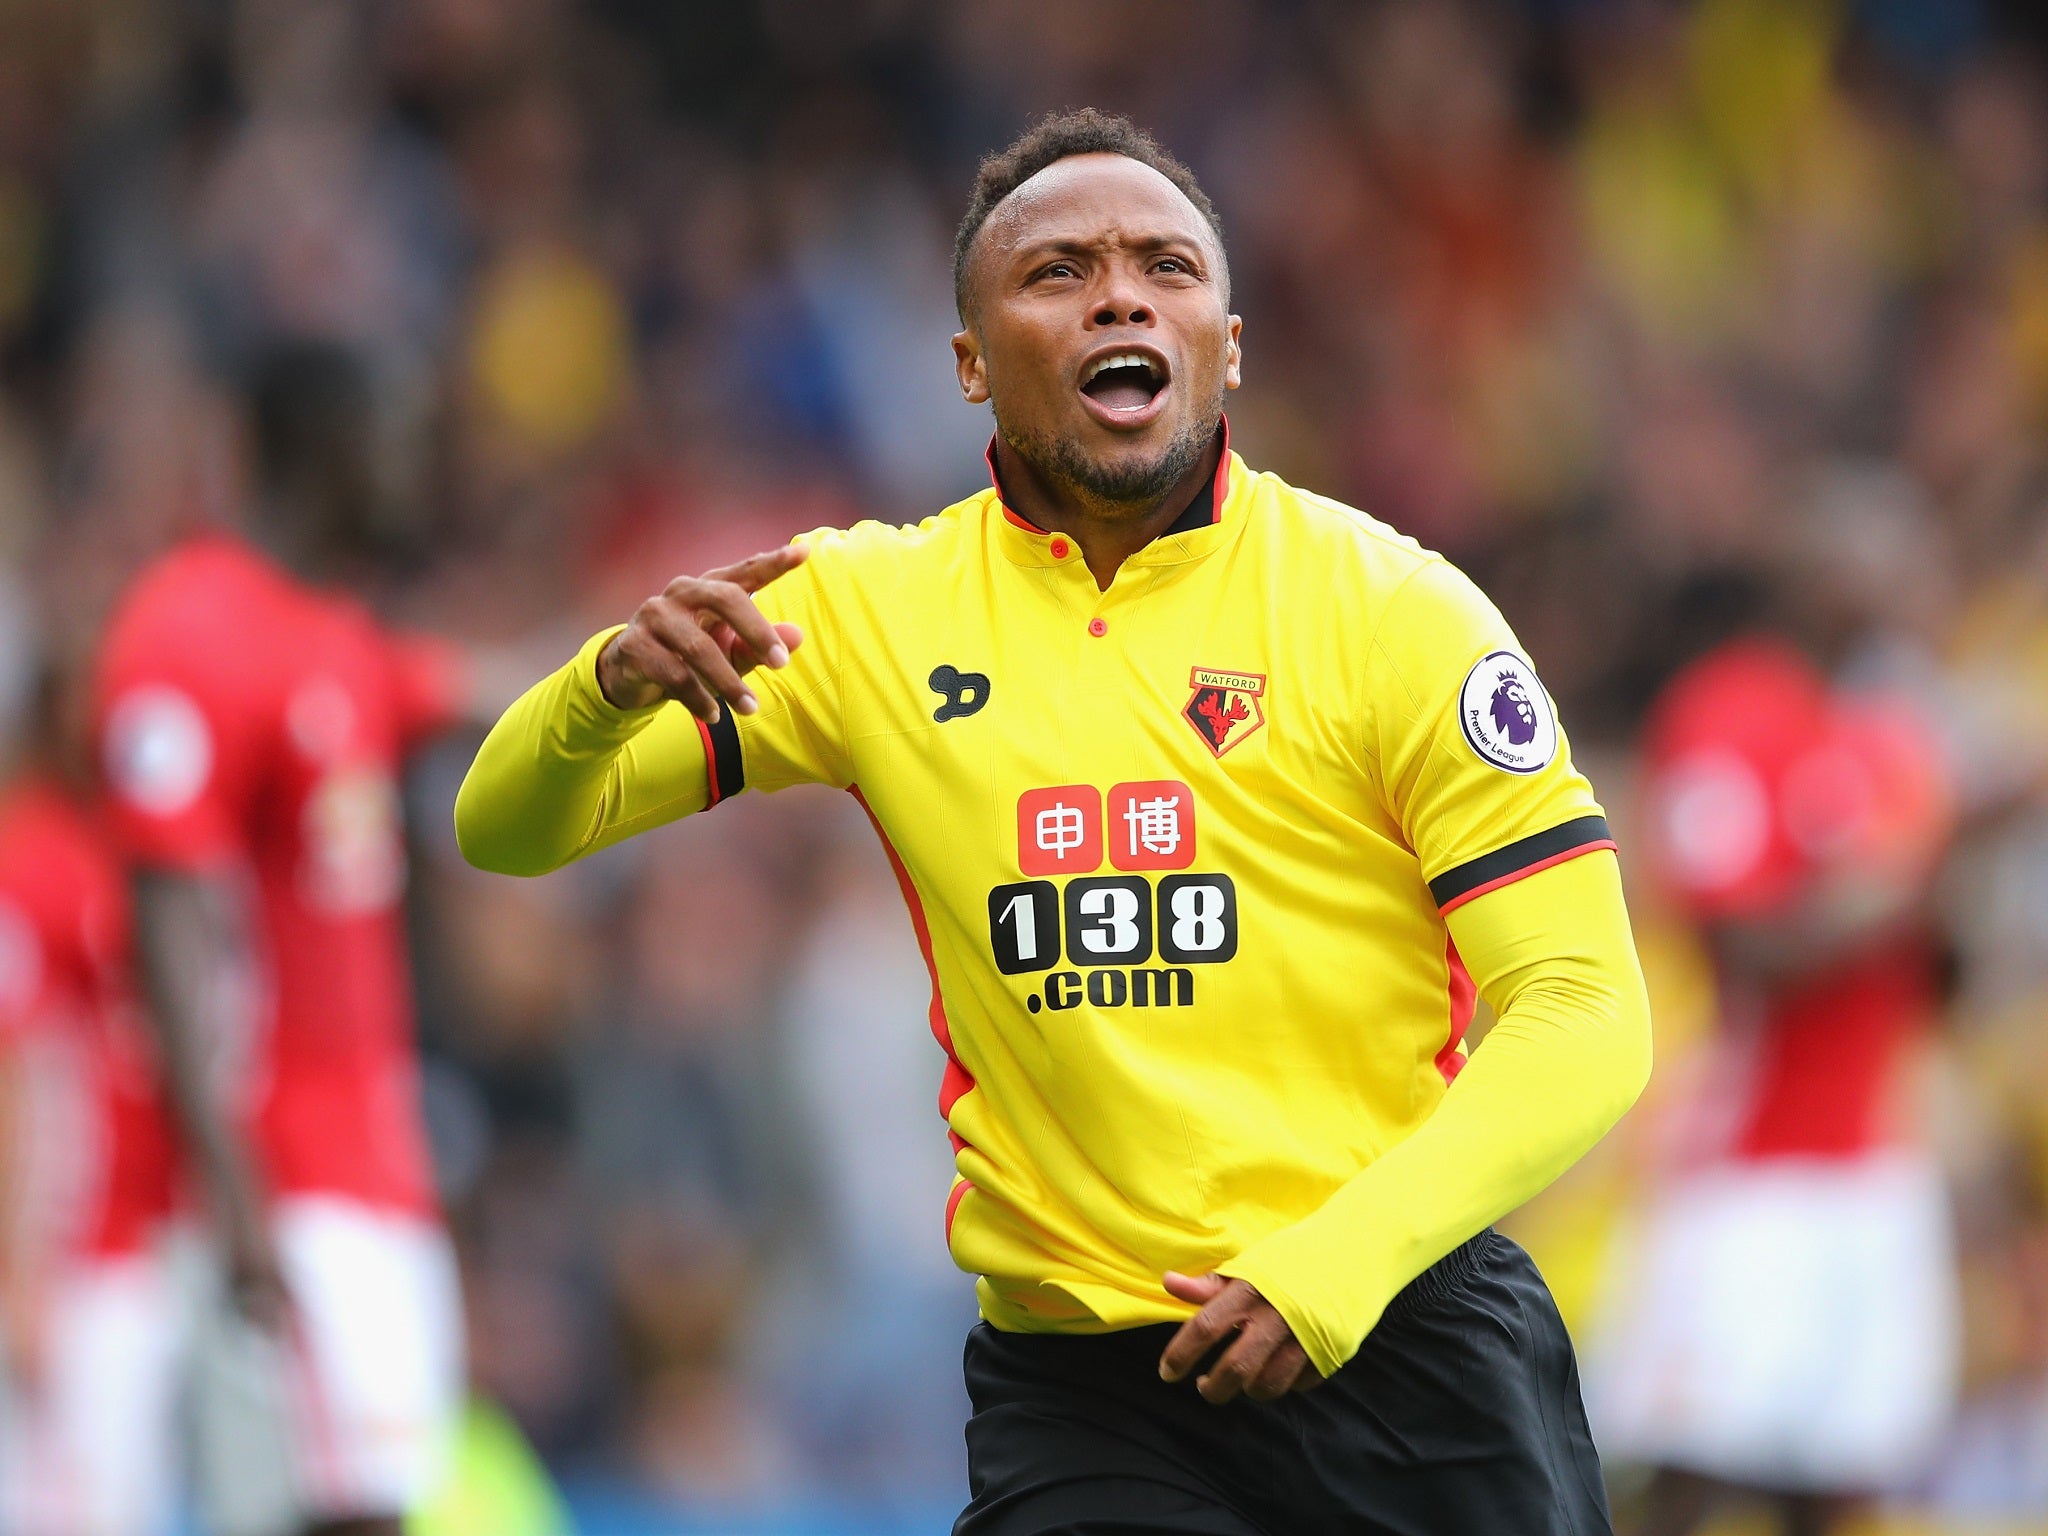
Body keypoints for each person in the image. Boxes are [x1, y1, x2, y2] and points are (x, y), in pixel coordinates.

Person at [457, 109, 1652, 1535]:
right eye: (1061, 271)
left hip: (1397, 1335)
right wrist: (598, 693)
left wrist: (1331, 1268)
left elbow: (1583, 1007)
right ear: (969, 363)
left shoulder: (1394, 613)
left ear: (1228, 340)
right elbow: (509, 827)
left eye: (1165, 266)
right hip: (1089, 1393)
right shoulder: (864, 613)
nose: (1122, 295)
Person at [91, 340, 467, 1536]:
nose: (409, 466)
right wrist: (233, 1182)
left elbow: (495, 691)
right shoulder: (191, 629)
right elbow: (171, 920)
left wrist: (658, 653)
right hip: (284, 1172)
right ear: (322, 449)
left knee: (379, 1505)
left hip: (378, 1166)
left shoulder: (337, 636)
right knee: (327, 1513)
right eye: (388, 436)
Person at [1590, 638, 1959, 1536]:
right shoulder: (1731, 708)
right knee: (1693, 1464)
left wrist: (1930, 887)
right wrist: (1893, 886)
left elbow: (1946, 971)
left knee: (1840, 1480)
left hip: (1874, 1172)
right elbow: (1746, 944)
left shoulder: (1895, 734)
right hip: (1746, 1177)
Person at [0, 663, 182, 1536]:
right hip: (73, 1256)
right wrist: (19, 1274)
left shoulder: (112, 846)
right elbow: (18, 1069)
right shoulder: (24, 855)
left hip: (137, 1237)